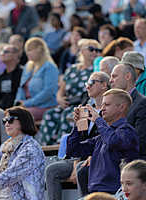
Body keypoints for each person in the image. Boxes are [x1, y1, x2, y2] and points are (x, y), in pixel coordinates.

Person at [45, 72, 110, 200]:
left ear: (104, 85)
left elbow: (105, 138)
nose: (88, 87)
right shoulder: (86, 108)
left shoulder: (109, 110)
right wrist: (77, 125)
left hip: (98, 156)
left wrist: (79, 163)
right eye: (87, 84)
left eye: (91, 83)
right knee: (51, 169)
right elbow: (76, 144)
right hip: (80, 156)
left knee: (81, 169)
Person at [66, 88, 139, 194]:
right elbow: (73, 150)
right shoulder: (102, 136)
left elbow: (113, 141)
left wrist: (98, 120)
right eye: (102, 105)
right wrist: (77, 125)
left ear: (121, 107)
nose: (102, 109)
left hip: (116, 193)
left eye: (107, 105)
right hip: (96, 193)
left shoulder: (127, 131)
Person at [39, 39, 99, 145]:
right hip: (68, 103)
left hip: (83, 104)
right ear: (82, 51)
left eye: (97, 50)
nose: (94, 52)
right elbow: (61, 89)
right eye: (91, 49)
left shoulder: (95, 71)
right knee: (50, 114)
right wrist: (59, 98)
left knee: (67, 115)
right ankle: (45, 147)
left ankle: (62, 147)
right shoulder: (72, 69)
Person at [0, 106, 45, 199]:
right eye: (4, 121)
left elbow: (9, 175)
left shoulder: (31, 148)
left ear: (23, 121)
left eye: (10, 120)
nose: (6, 124)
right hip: (2, 194)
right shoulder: (5, 145)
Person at [110, 62, 146, 162]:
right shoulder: (114, 104)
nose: (110, 80)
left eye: (114, 76)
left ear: (127, 76)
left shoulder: (143, 103)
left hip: (137, 160)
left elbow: (138, 141)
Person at [15, 37, 59, 121]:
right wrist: (18, 102)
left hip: (44, 106)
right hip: (27, 105)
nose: (27, 53)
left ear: (39, 50)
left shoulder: (49, 67)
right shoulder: (28, 66)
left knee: (19, 118)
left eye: (30, 49)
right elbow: (21, 87)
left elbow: (48, 92)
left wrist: (27, 103)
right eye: (27, 50)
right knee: (9, 114)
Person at [0, 44, 23, 110]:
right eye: (2, 52)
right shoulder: (0, 77)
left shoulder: (23, 74)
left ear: (15, 55)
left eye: (6, 52)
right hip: (2, 110)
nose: (2, 54)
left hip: (18, 109)